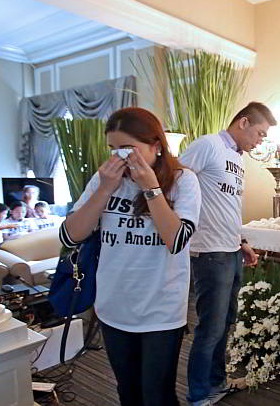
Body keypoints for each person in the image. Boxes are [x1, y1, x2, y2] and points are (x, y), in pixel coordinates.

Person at [60, 107, 201, 406]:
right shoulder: (105, 180)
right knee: (128, 393)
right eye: (113, 149)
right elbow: (70, 235)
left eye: (128, 149)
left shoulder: (183, 180)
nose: (119, 158)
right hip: (113, 307)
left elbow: (176, 240)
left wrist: (150, 188)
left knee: (157, 396)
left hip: (160, 311)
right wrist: (104, 189)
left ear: (156, 147)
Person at [180, 102, 276, 406]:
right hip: (209, 252)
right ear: (244, 122)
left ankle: (217, 383)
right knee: (209, 328)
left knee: (225, 324)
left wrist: (241, 241)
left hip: (230, 250)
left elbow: (227, 207)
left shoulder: (236, 157)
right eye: (259, 133)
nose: (259, 140)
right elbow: (177, 181)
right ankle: (198, 395)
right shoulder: (208, 145)